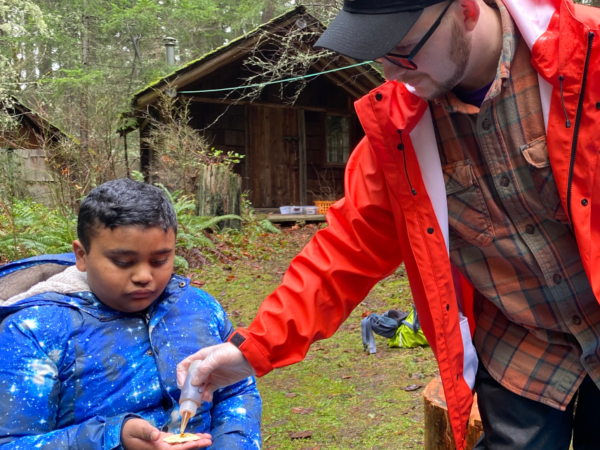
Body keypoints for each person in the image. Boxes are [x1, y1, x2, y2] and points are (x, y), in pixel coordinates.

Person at [177, 0, 600, 449]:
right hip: (521, 351)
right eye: (377, 55)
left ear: (467, 12)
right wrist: (252, 349)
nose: (391, 75)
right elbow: (344, 252)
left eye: (401, 50)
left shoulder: (587, 57)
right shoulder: (399, 132)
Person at [0, 178, 261, 450]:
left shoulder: (200, 307)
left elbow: (237, 391)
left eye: (160, 260)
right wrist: (113, 437)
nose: (144, 276)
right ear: (82, 255)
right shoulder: (34, 330)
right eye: (123, 262)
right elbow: (11, 444)